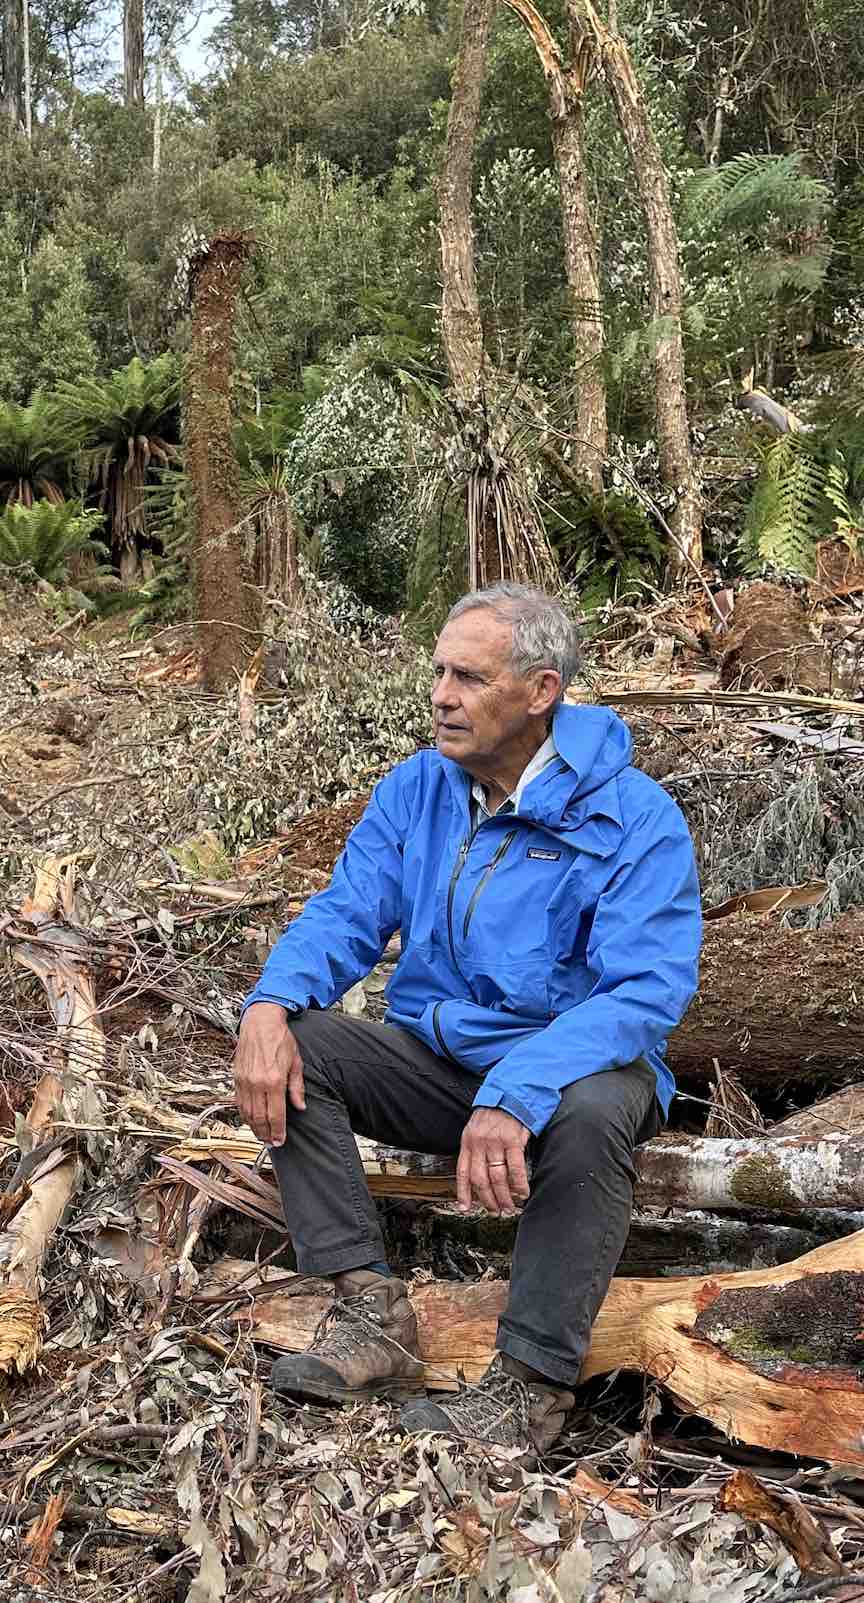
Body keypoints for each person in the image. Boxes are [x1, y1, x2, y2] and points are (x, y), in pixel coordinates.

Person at [232, 583, 700, 1455]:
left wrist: (519, 1089)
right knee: (297, 1045)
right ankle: (369, 1311)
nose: (442, 695)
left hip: (575, 1073)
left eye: (470, 678)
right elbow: (346, 913)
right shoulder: (420, 788)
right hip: (443, 1060)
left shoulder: (635, 817)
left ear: (541, 691)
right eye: (439, 672)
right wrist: (268, 1002)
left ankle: (530, 1385)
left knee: (597, 1109)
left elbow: (645, 992)